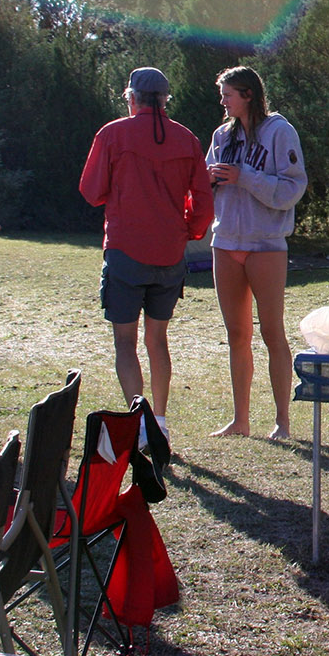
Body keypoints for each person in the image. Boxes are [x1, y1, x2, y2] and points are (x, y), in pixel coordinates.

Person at [79, 67, 212, 447]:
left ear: (131, 97)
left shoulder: (113, 133)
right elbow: (204, 201)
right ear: (165, 99)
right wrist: (189, 230)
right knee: (158, 339)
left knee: (125, 341)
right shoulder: (186, 138)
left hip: (125, 250)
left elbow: (91, 191)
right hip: (169, 254)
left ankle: (139, 425)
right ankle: (161, 419)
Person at [207, 65, 307, 440]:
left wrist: (244, 177)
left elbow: (292, 189)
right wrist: (208, 181)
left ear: (247, 94)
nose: (222, 101)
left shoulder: (280, 132)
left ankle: (282, 421)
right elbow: (208, 178)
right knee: (236, 335)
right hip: (226, 243)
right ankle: (240, 420)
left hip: (266, 244)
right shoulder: (221, 135)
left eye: (227, 94)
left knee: (272, 332)